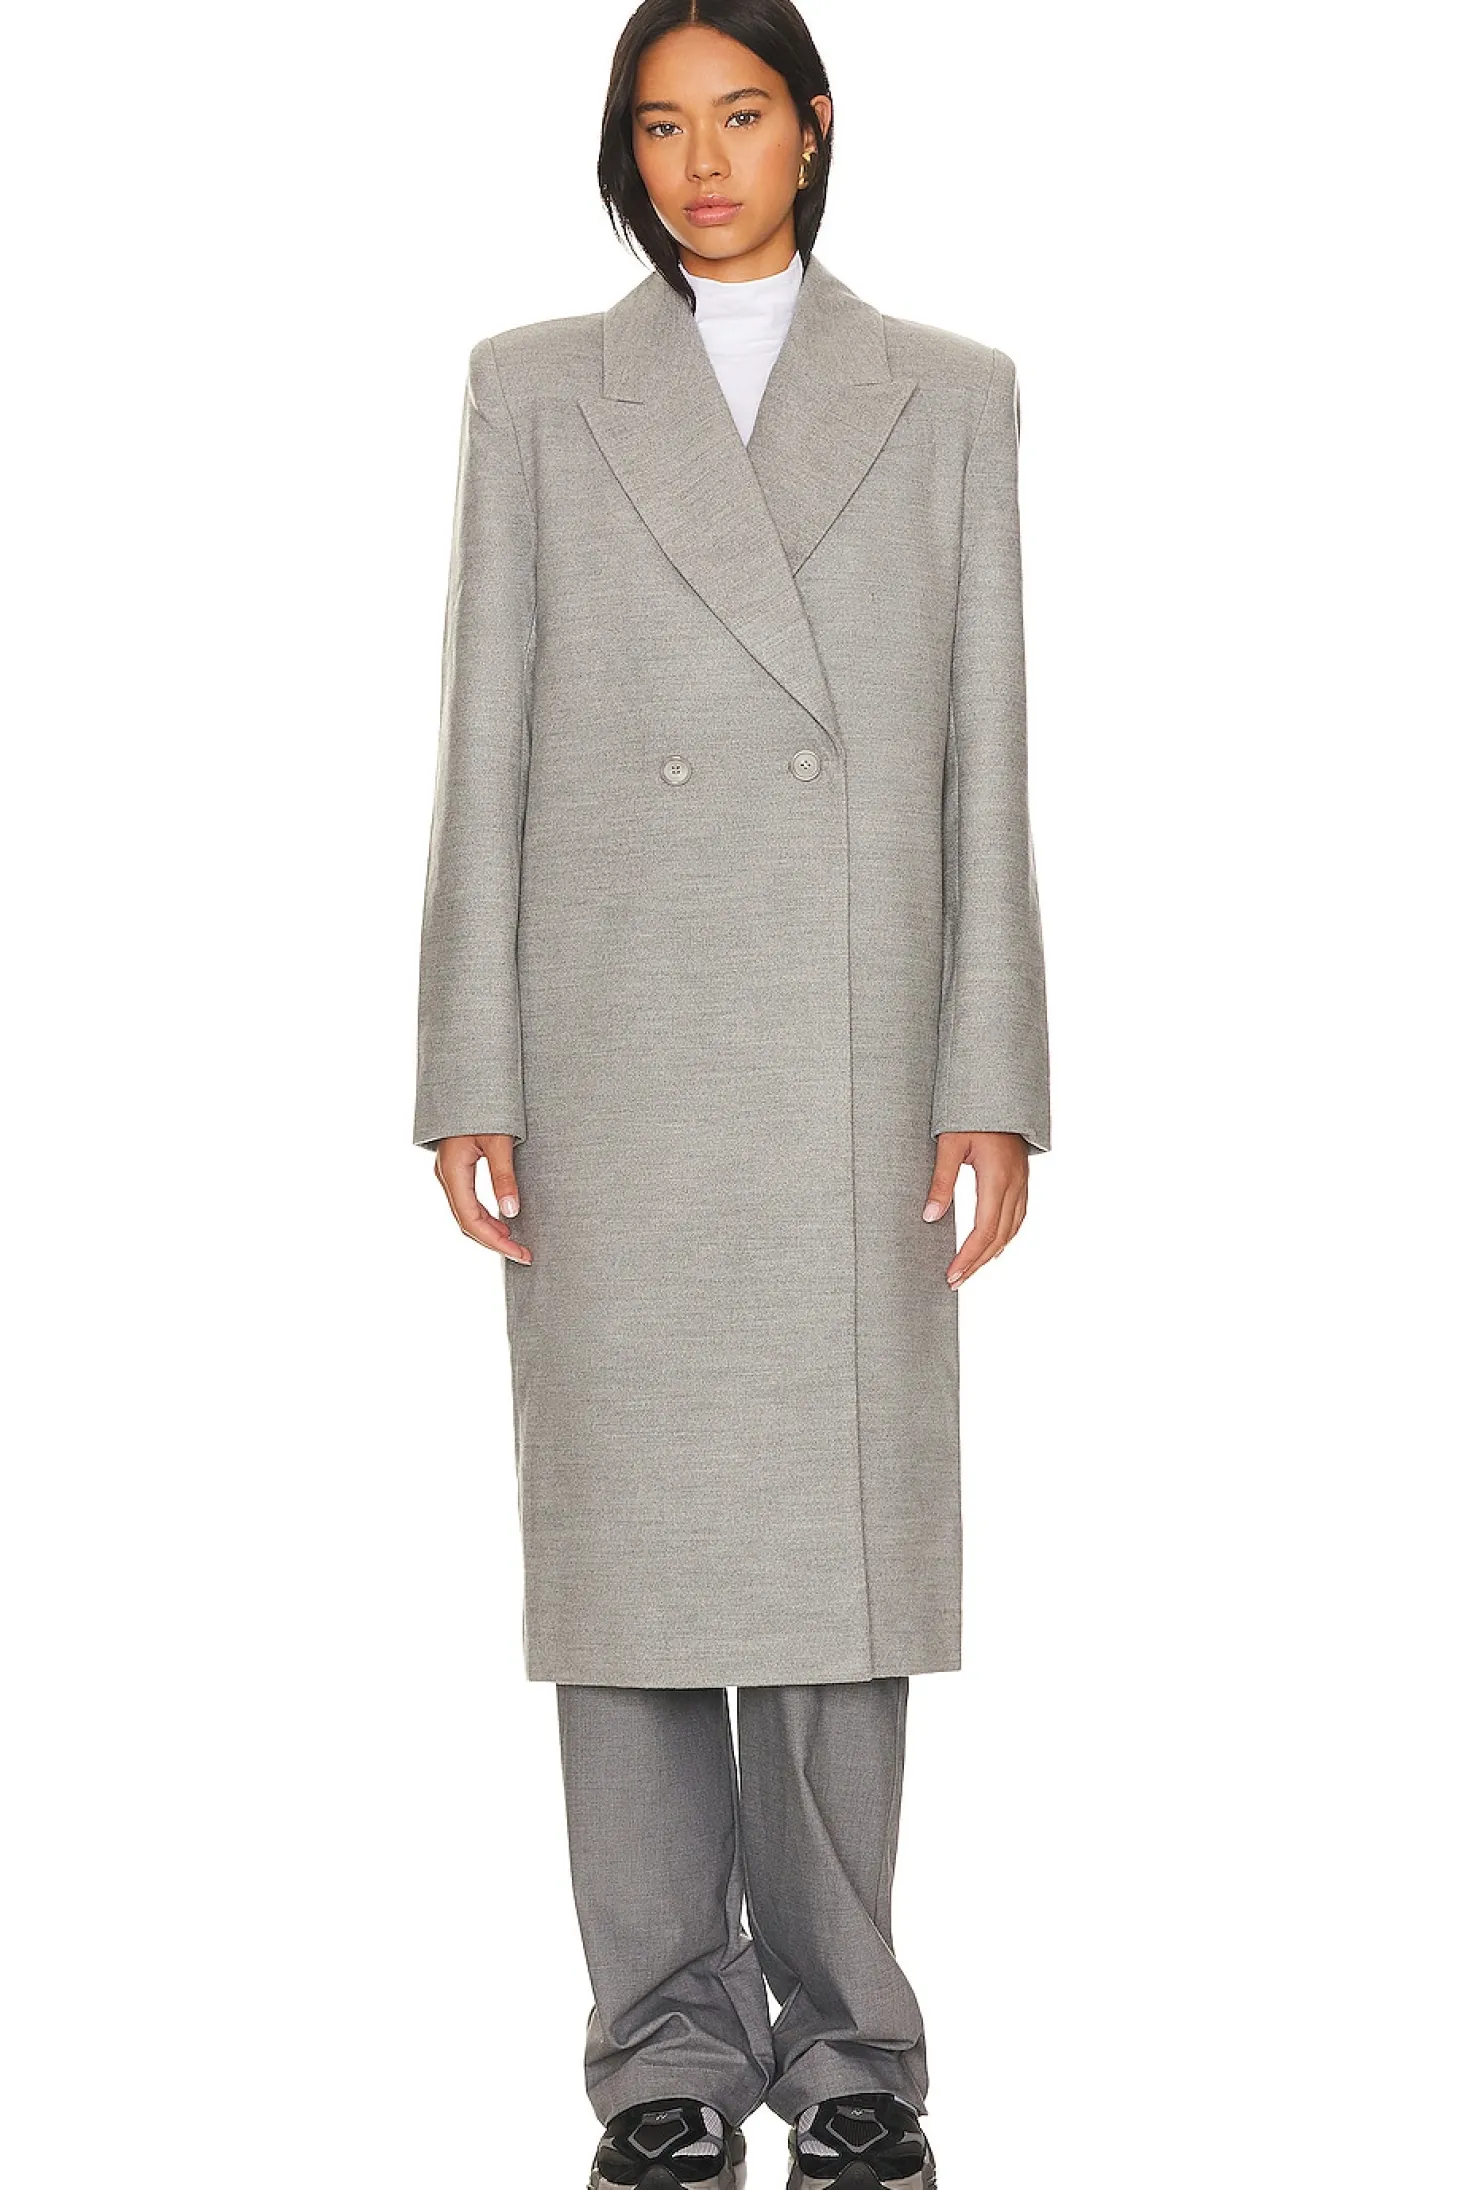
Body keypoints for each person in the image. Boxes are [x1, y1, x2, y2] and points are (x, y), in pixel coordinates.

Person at [412, 4, 1051, 2185]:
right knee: (629, 1573)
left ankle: (856, 2050)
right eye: (661, 125)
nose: (700, 161)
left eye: (741, 117)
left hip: (855, 1055)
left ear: (814, 131)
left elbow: (986, 757)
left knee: (837, 1575)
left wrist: (992, 1074)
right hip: (616, 1044)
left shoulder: (951, 395)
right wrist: (470, 1062)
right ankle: (663, 2056)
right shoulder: (533, 389)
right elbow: (481, 741)